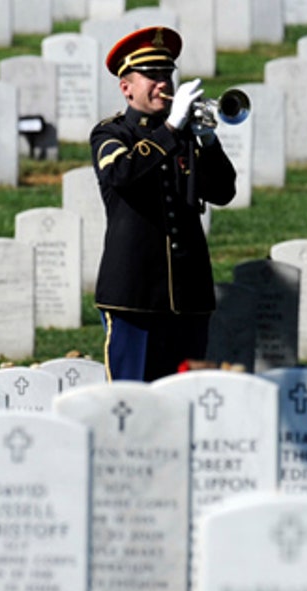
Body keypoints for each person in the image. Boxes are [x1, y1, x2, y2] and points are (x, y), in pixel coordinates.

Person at [90, 26, 237, 382]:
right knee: (132, 399)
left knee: (186, 399)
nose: (163, 84)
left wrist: (209, 142)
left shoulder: (184, 134)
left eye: (167, 75)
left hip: (189, 295)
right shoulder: (111, 134)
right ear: (126, 88)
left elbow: (223, 191)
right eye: (151, 76)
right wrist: (171, 128)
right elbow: (121, 174)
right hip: (133, 295)